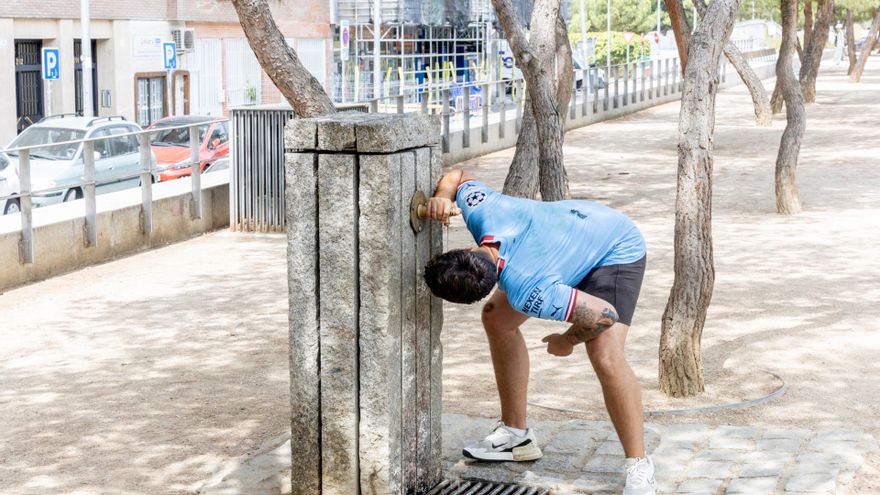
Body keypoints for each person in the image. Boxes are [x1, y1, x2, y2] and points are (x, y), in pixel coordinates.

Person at [423, 169, 655, 495]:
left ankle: (639, 464)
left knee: (604, 354)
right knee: (497, 318)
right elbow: (457, 176)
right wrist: (444, 196)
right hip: (570, 239)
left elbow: (605, 315)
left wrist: (566, 340)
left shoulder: (528, 291)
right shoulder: (482, 211)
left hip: (613, 247)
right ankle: (517, 436)